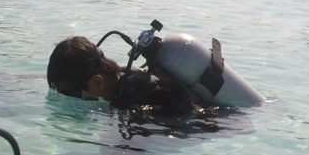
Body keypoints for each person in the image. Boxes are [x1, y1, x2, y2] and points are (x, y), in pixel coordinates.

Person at [47, 35, 198, 116]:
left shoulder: (134, 103)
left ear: (97, 82)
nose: (80, 100)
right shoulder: (127, 75)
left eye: (77, 95)